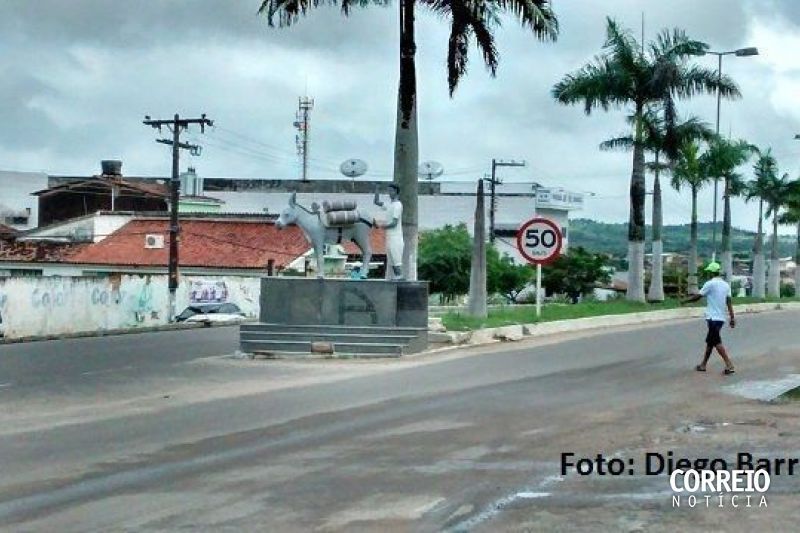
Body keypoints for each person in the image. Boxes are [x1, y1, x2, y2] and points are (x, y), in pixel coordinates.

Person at [681, 261, 736, 375]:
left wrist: (685, 301)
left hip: (712, 318)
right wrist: (732, 317)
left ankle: (729, 364)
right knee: (710, 342)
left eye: (709, 272)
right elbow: (729, 302)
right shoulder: (726, 285)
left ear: (711, 273)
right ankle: (703, 365)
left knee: (716, 341)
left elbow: (698, 296)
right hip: (721, 318)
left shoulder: (710, 284)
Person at [373, 184, 404, 280]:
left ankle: (400, 279)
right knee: (391, 262)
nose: (390, 193)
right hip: (389, 237)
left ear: (397, 192)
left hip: (396, 238)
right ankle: (397, 279)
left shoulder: (398, 205)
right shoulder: (390, 205)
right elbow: (376, 202)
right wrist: (377, 189)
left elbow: (394, 223)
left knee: (396, 262)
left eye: (392, 191)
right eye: (389, 191)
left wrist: (381, 226)